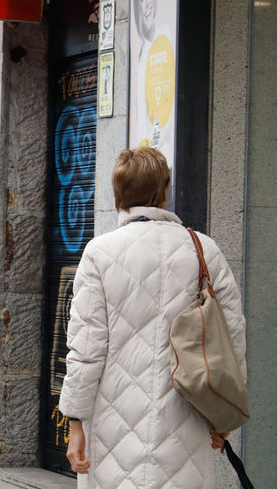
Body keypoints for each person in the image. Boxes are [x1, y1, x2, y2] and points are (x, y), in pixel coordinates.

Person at [60, 147, 247, 486]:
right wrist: (224, 419)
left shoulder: (99, 253)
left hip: (113, 424)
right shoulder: (204, 250)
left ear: (118, 196)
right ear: (164, 192)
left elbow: (86, 348)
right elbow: (231, 339)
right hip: (187, 419)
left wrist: (75, 424)